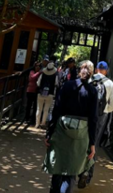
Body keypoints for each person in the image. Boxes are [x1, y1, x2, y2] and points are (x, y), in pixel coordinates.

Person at [44, 61, 98, 193]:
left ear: (80, 71)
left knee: (57, 166)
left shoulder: (67, 86)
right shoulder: (93, 91)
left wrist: (49, 133)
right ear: (91, 74)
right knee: (71, 172)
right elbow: (93, 119)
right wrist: (92, 143)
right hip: (81, 133)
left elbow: (56, 109)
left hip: (62, 128)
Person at [77, 61, 113, 189]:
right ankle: (87, 173)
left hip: (85, 115)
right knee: (94, 144)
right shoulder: (110, 83)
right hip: (100, 117)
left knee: (82, 142)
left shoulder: (89, 80)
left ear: (96, 70)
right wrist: (104, 111)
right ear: (106, 70)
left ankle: (77, 170)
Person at [36, 62, 58, 128]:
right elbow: (56, 83)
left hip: (41, 92)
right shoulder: (55, 75)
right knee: (46, 110)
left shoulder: (42, 74)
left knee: (39, 109)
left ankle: (37, 123)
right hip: (50, 93)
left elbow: (38, 83)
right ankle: (43, 123)